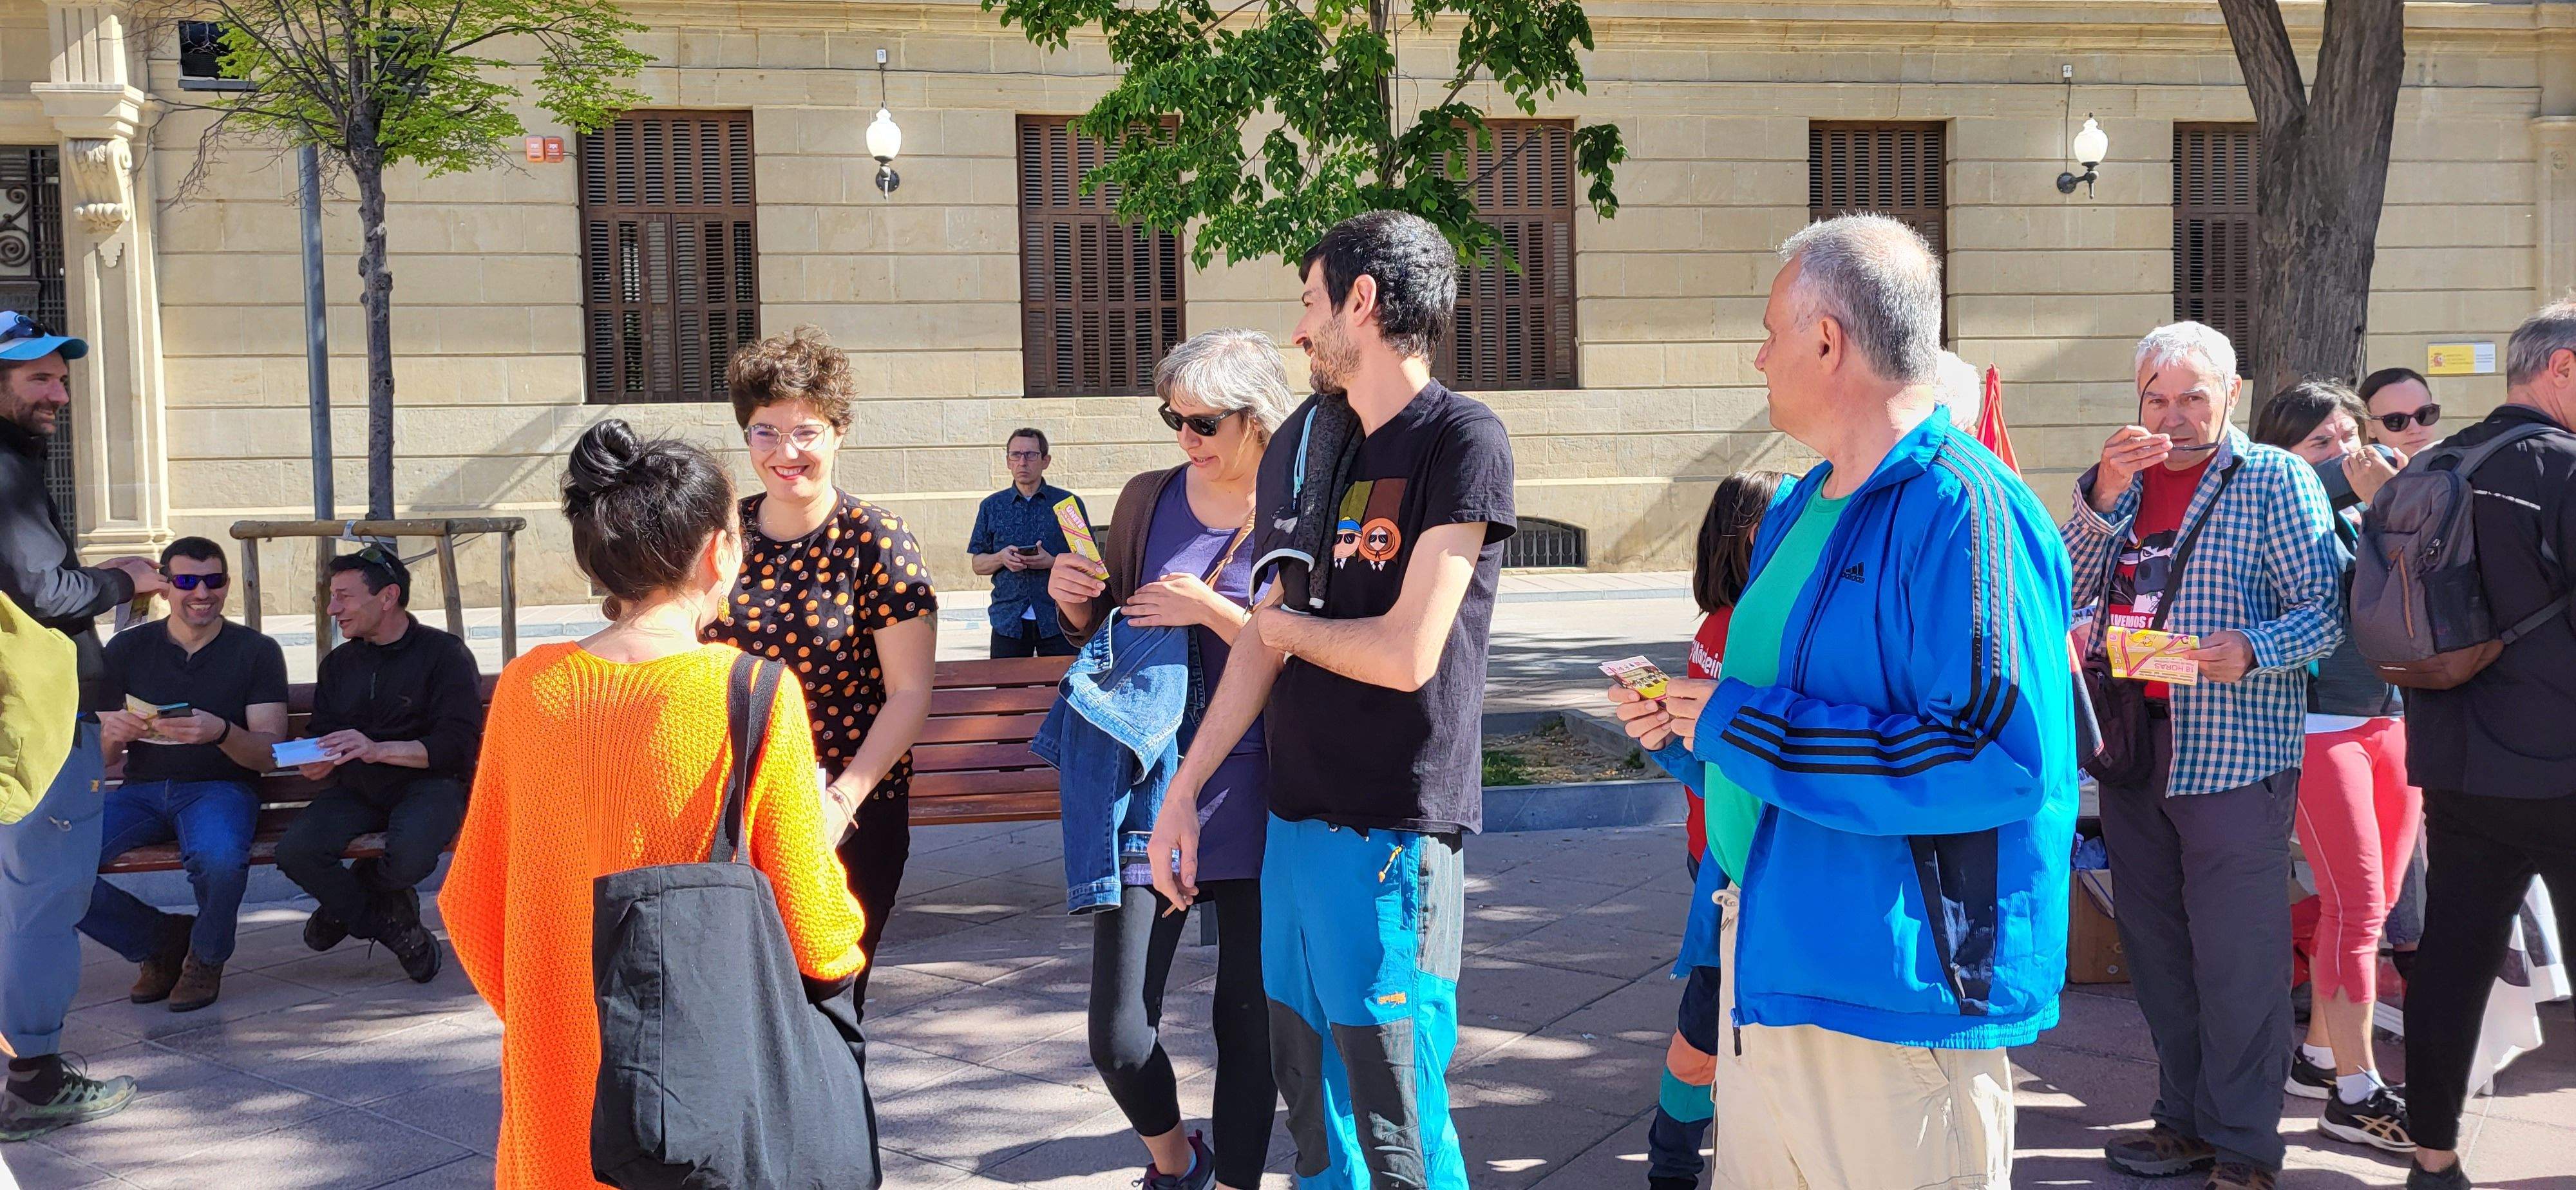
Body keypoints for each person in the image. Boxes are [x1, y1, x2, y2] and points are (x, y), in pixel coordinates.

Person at [1609, 214, 2076, 1190]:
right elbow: (1779, 726)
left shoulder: (1965, 507)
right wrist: (1691, 731)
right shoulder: (1795, 507)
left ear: (1829, 341)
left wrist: (1740, 724)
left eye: (1771, 330)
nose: (1757, 355)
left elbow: (1994, 757)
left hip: (1890, 998)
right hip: (1767, 958)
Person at [1144, 210, 1515, 1189]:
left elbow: (1406, 655)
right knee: (1314, 1117)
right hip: (1293, 829)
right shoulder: (1307, 435)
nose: (1299, 332)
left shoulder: (1461, 438)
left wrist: (1280, 628)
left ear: (1365, 300)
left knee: (1398, 1120)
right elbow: (1268, 632)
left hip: (1395, 835)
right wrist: (1184, 790)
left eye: (1310, 302)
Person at [445, 419, 868, 1190]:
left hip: (556, 1090)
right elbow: (817, 934)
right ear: (720, 550)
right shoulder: (752, 692)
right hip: (697, 1093)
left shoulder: (527, 688)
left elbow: (470, 903)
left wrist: (552, 1012)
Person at [2062, 321, 2344, 1190]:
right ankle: (2181, 1122)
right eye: (2158, 396)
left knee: (2238, 963)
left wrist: (2253, 649)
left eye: (2195, 396)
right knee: (2157, 954)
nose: (2176, 415)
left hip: (2230, 758)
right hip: (2134, 749)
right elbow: (2067, 590)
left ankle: (2247, 1146)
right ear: (2136, 396)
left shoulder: (2273, 479)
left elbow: (2329, 611)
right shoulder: (2121, 481)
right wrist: (2102, 496)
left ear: (2231, 394)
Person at [1045, 328, 1294, 1190]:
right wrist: (1075, 605)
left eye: (1203, 423)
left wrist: (1211, 610)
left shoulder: (1298, 508)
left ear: (1257, 420)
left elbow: (1306, 654)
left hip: (1263, 784)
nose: (1184, 439)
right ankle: (1177, 1159)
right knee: (1118, 1034)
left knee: (1246, 1025)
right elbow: (1119, 628)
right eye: (1172, 419)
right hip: (1151, 786)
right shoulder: (1150, 499)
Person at [701, 326, 934, 1010]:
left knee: (825, 1007)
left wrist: (840, 804)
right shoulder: (722, 534)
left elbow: (910, 694)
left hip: (845, 813)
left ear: (837, 433)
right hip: (732, 811)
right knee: (737, 1011)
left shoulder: (877, 540)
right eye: (765, 432)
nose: (784, 452)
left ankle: (831, 1121)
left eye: (804, 432)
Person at [2400, 300, 2576, 1190]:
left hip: (2454, 760)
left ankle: (2431, 1156)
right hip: (2560, 766)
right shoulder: (2562, 469)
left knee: (2452, 959)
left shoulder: (2435, 462)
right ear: (2563, 369)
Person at [0, 311, 164, 1140]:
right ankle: (31, 1081)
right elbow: (53, 595)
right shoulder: (5, 472)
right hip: (34, 729)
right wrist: (125, 578)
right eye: (37, 377)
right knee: (42, 902)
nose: (58, 392)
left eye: (61, 377)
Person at [2249, 382, 2418, 1151]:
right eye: (2322, 443)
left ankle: (2319, 1057)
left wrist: (2390, 499)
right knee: (2353, 906)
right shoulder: (2275, 505)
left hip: (2391, 718)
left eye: (2352, 435)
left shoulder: (2370, 504)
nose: (2349, 454)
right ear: (2285, 456)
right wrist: (2341, 480)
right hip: (2320, 725)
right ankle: (2356, 1091)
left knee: (2371, 910)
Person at [1626, 468, 1785, 1190]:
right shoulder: (1749, 630)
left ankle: (1675, 1161)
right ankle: (1672, 1166)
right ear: (1755, 535)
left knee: (1712, 1022)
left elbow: (1704, 762)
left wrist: (1666, 740)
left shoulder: (1712, 629)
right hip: (1742, 864)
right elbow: (1726, 762)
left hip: (1715, 853)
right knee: (1707, 1029)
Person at [80, 537, 290, 1013]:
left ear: (227, 585)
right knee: (56, 866)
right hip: (142, 791)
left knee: (218, 859)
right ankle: (158, 941)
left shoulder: (255, 651)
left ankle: (207, 957)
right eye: (187, 581)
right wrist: (113, 733)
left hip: (222, 787)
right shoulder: (129, 648)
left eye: (214, 581)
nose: (202, 592)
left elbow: (268, 753)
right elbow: (104, 759)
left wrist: (220, 732)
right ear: (165, 587)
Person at [273, 546, 484, 984]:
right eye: (332, 597)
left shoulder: (444, 655)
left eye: (344, 597)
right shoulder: (340, 664)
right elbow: (324, 728)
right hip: (357, 788)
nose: (333, 609)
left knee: (409, 857)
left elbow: (455, 746)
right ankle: (390, 924)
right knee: (296, 851)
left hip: (429, 783)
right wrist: (315, 757)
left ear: (387, 597)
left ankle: (354, 900)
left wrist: (376, 748)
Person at [971, 427, 1086, 659]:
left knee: (1061, 691)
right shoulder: (992, 507)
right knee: (1005, 694)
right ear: (1008, 462)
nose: (1022, 462)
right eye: (1016, 455)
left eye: (1031, 455)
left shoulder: (1067, 504)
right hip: (1008, 621)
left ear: (1046, 461)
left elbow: (1089, 563)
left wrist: (1052, 562)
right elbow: (977, 564)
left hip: (1059, 619)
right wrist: (1001, 558)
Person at [2360, 366, 2443, 459]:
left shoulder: (2459, 469)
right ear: (2370, 427)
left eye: (2424, 415)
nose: (2415, 430)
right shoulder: (2348, 472)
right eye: (2397, 420)